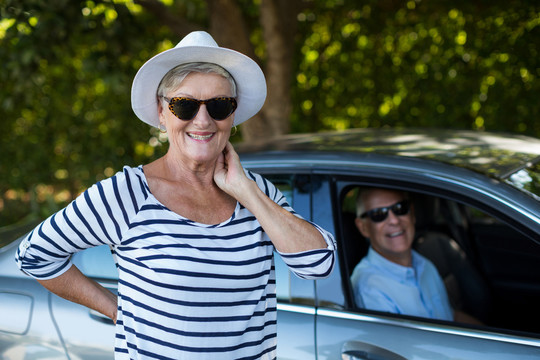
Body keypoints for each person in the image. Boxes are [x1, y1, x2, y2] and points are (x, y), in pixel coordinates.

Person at [15, 31, 336, 359]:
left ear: (233, 114)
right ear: (161, 112)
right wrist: (119, 311)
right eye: (184, 105)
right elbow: (34, 255)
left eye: (219, 105)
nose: (203, 119)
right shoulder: (126, 194)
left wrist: (247, 192)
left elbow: (318, 264)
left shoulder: (257, 192)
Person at [350, 187, 478, 324]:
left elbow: (450, 317)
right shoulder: (368, 289)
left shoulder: (425, 264)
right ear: (363, 227)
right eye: (378, 214)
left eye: (400, 208)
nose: (394, 220)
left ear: (412, 213)